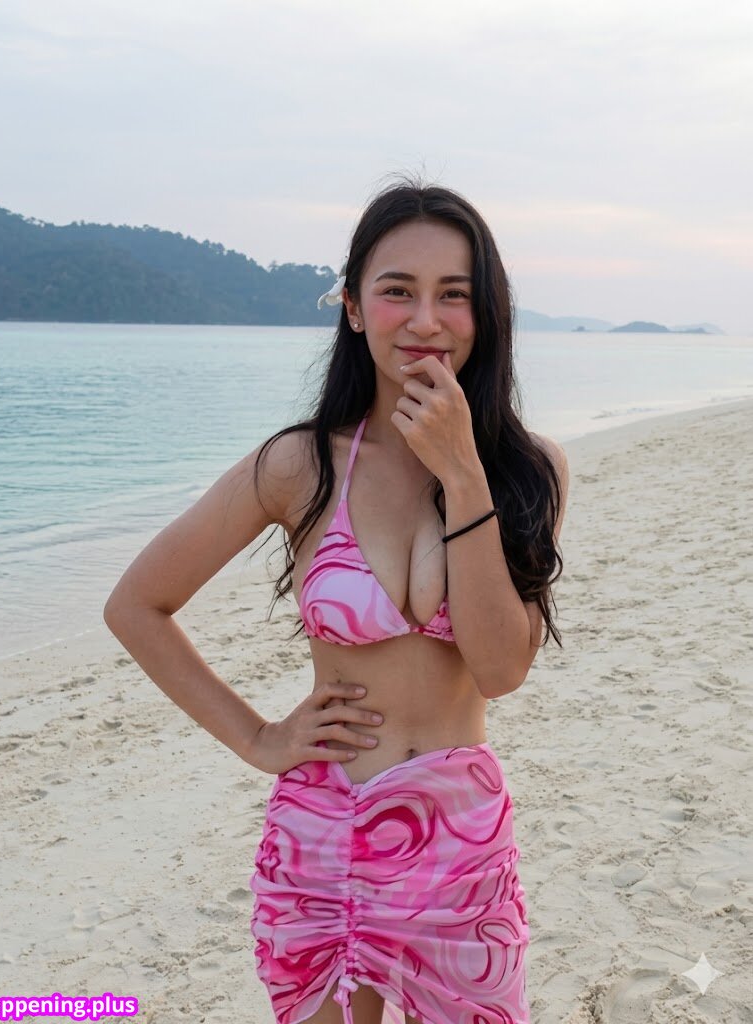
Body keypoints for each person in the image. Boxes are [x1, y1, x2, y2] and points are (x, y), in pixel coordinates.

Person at [104, 176, 569, 1024]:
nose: (424, 319)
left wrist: (464, 474)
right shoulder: (300, 465)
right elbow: (137, 605)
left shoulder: (527, 470)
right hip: (323, 838)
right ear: (354, 307)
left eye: (453, 294)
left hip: (459, 850)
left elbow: (501, 670)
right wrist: (258, 737)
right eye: (397, 291)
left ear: (485, 312)